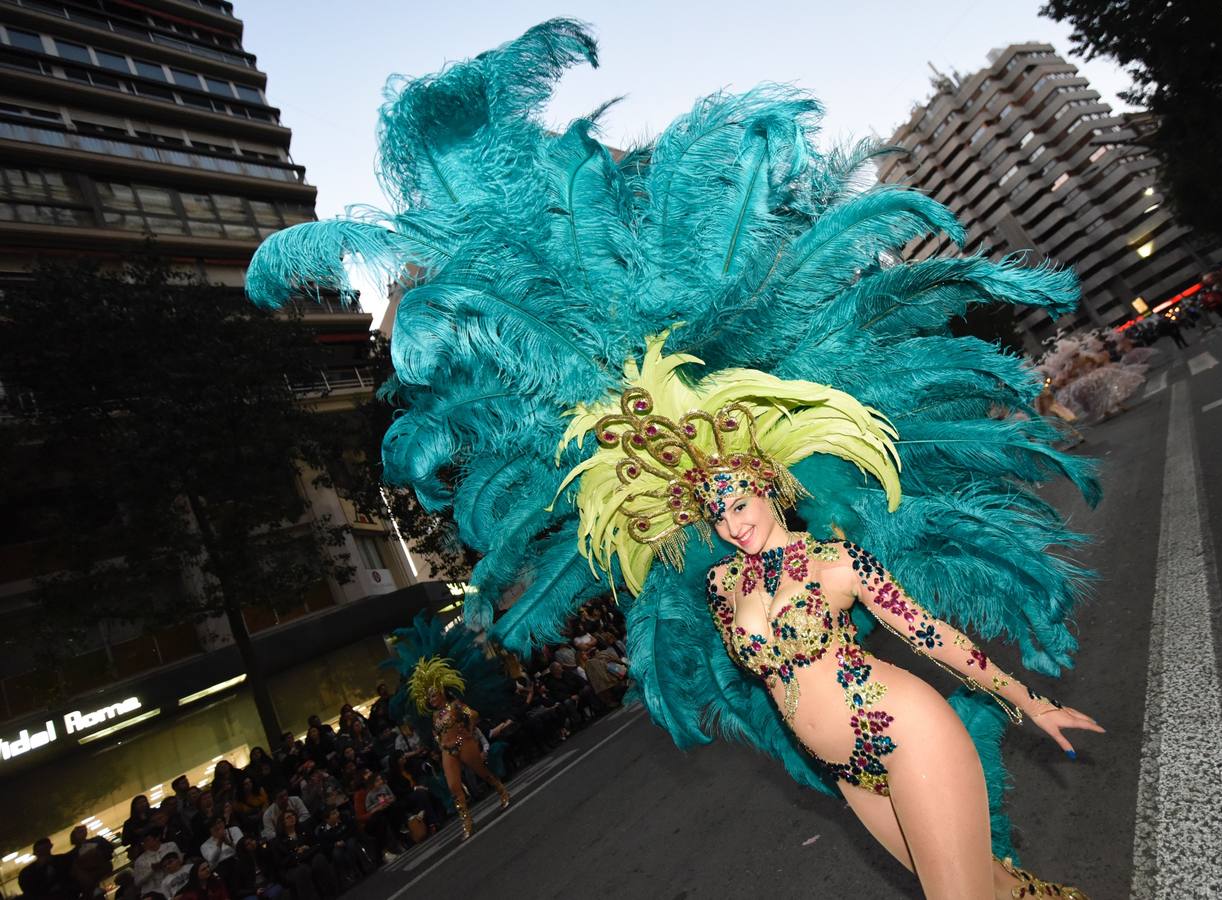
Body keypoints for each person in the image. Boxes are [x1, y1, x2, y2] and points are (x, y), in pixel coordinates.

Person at [244, 20, 1106, 898]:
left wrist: (1028, 701)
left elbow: (936, 639)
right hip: (853, 771)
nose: (731, 516)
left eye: (739, 496)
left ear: (772, 486)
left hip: (906, 730)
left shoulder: (833, 562)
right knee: (999, 892)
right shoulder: (726, 588)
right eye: (715, 508)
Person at [406, 659, 510, 836]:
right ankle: (466, 821)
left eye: (435, 695)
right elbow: (437, 734)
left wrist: (467, 730)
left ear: (442, 693)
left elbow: (474, 714)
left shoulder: (456, 705)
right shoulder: (435, 716)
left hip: (464, 744)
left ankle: (501, 790)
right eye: (430, 697)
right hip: (447, 751)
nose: (432, 699)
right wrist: (440, 743)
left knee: (482, 773)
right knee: (453, 786)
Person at [270, 810, 338, 900]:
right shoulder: (278, 841)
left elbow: (316, 844)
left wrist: (307, 848)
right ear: (282, 822)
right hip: (292, 867)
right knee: (302, 870)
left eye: (293, 815)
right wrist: (296, 854)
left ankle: (330, 894)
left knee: (319, 859)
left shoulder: (303, 829)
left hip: (309, 857)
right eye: (288, 817)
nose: (292, 818)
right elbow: (281, 862)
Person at [131, 829, 180, 897]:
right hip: (153, 892)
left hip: (175, 884)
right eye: (143, 842)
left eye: (147, 840)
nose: (145, 843)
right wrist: (152, 871)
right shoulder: (140, 861)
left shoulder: (171, 846)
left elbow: (180, 861)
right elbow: (137, 882)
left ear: (157, 838)